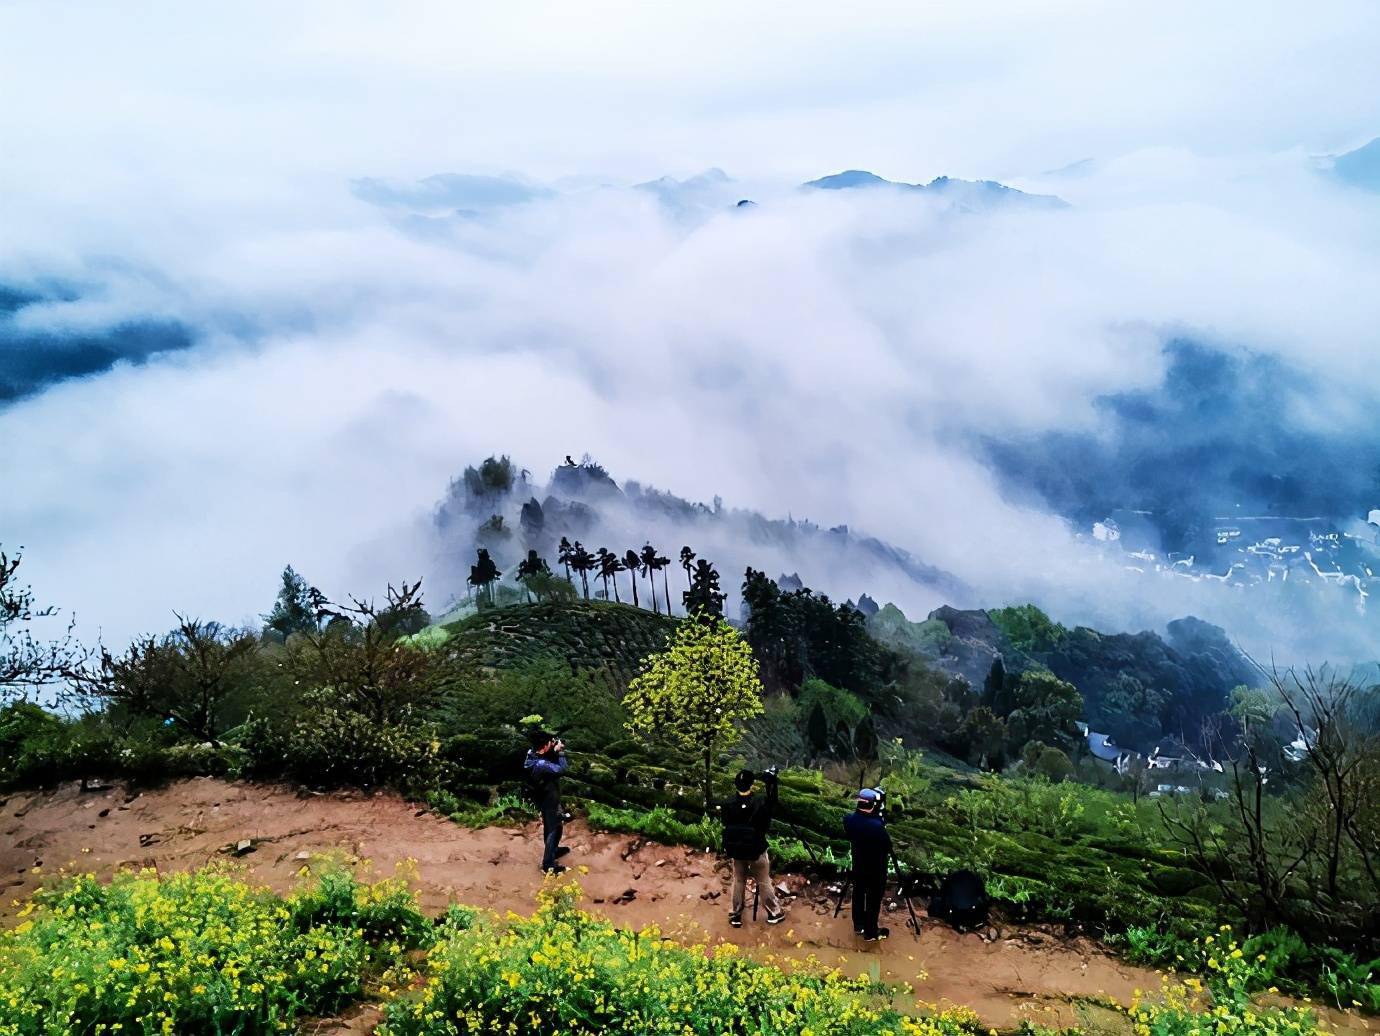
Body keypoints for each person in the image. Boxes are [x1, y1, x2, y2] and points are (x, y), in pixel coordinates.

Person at [720, 768, 785, 928]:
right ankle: (774, 912)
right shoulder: (759, 803)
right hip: (757, 848)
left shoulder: (728, 804)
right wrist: (771, 782)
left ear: (736, 784)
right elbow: (772, 806)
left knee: (739, 880)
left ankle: (735, 915)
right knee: (763, 880)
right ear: (752, 784)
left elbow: (725, 823)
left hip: (737, 850)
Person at [843, 787, 891, 940]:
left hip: (858, 864)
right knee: (873, 898)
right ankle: (871, 932)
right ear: (874, 805)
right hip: (876, 869)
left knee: (858, 893)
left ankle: (858, 925)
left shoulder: (849, 820)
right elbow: (887, 846)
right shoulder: (877, 827)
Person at [524, 730, 570, 874]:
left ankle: (554, 850)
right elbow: (562, 769)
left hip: (544, 795)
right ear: (544, 747)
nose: (553, 743)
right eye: (551, 742)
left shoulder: (532, 754)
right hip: (548, 798)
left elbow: (544, 756)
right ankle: (548, 864)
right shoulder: (541, 764)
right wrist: (561, 752)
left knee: (557, 824)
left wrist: (553, 750)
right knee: (552, 828)